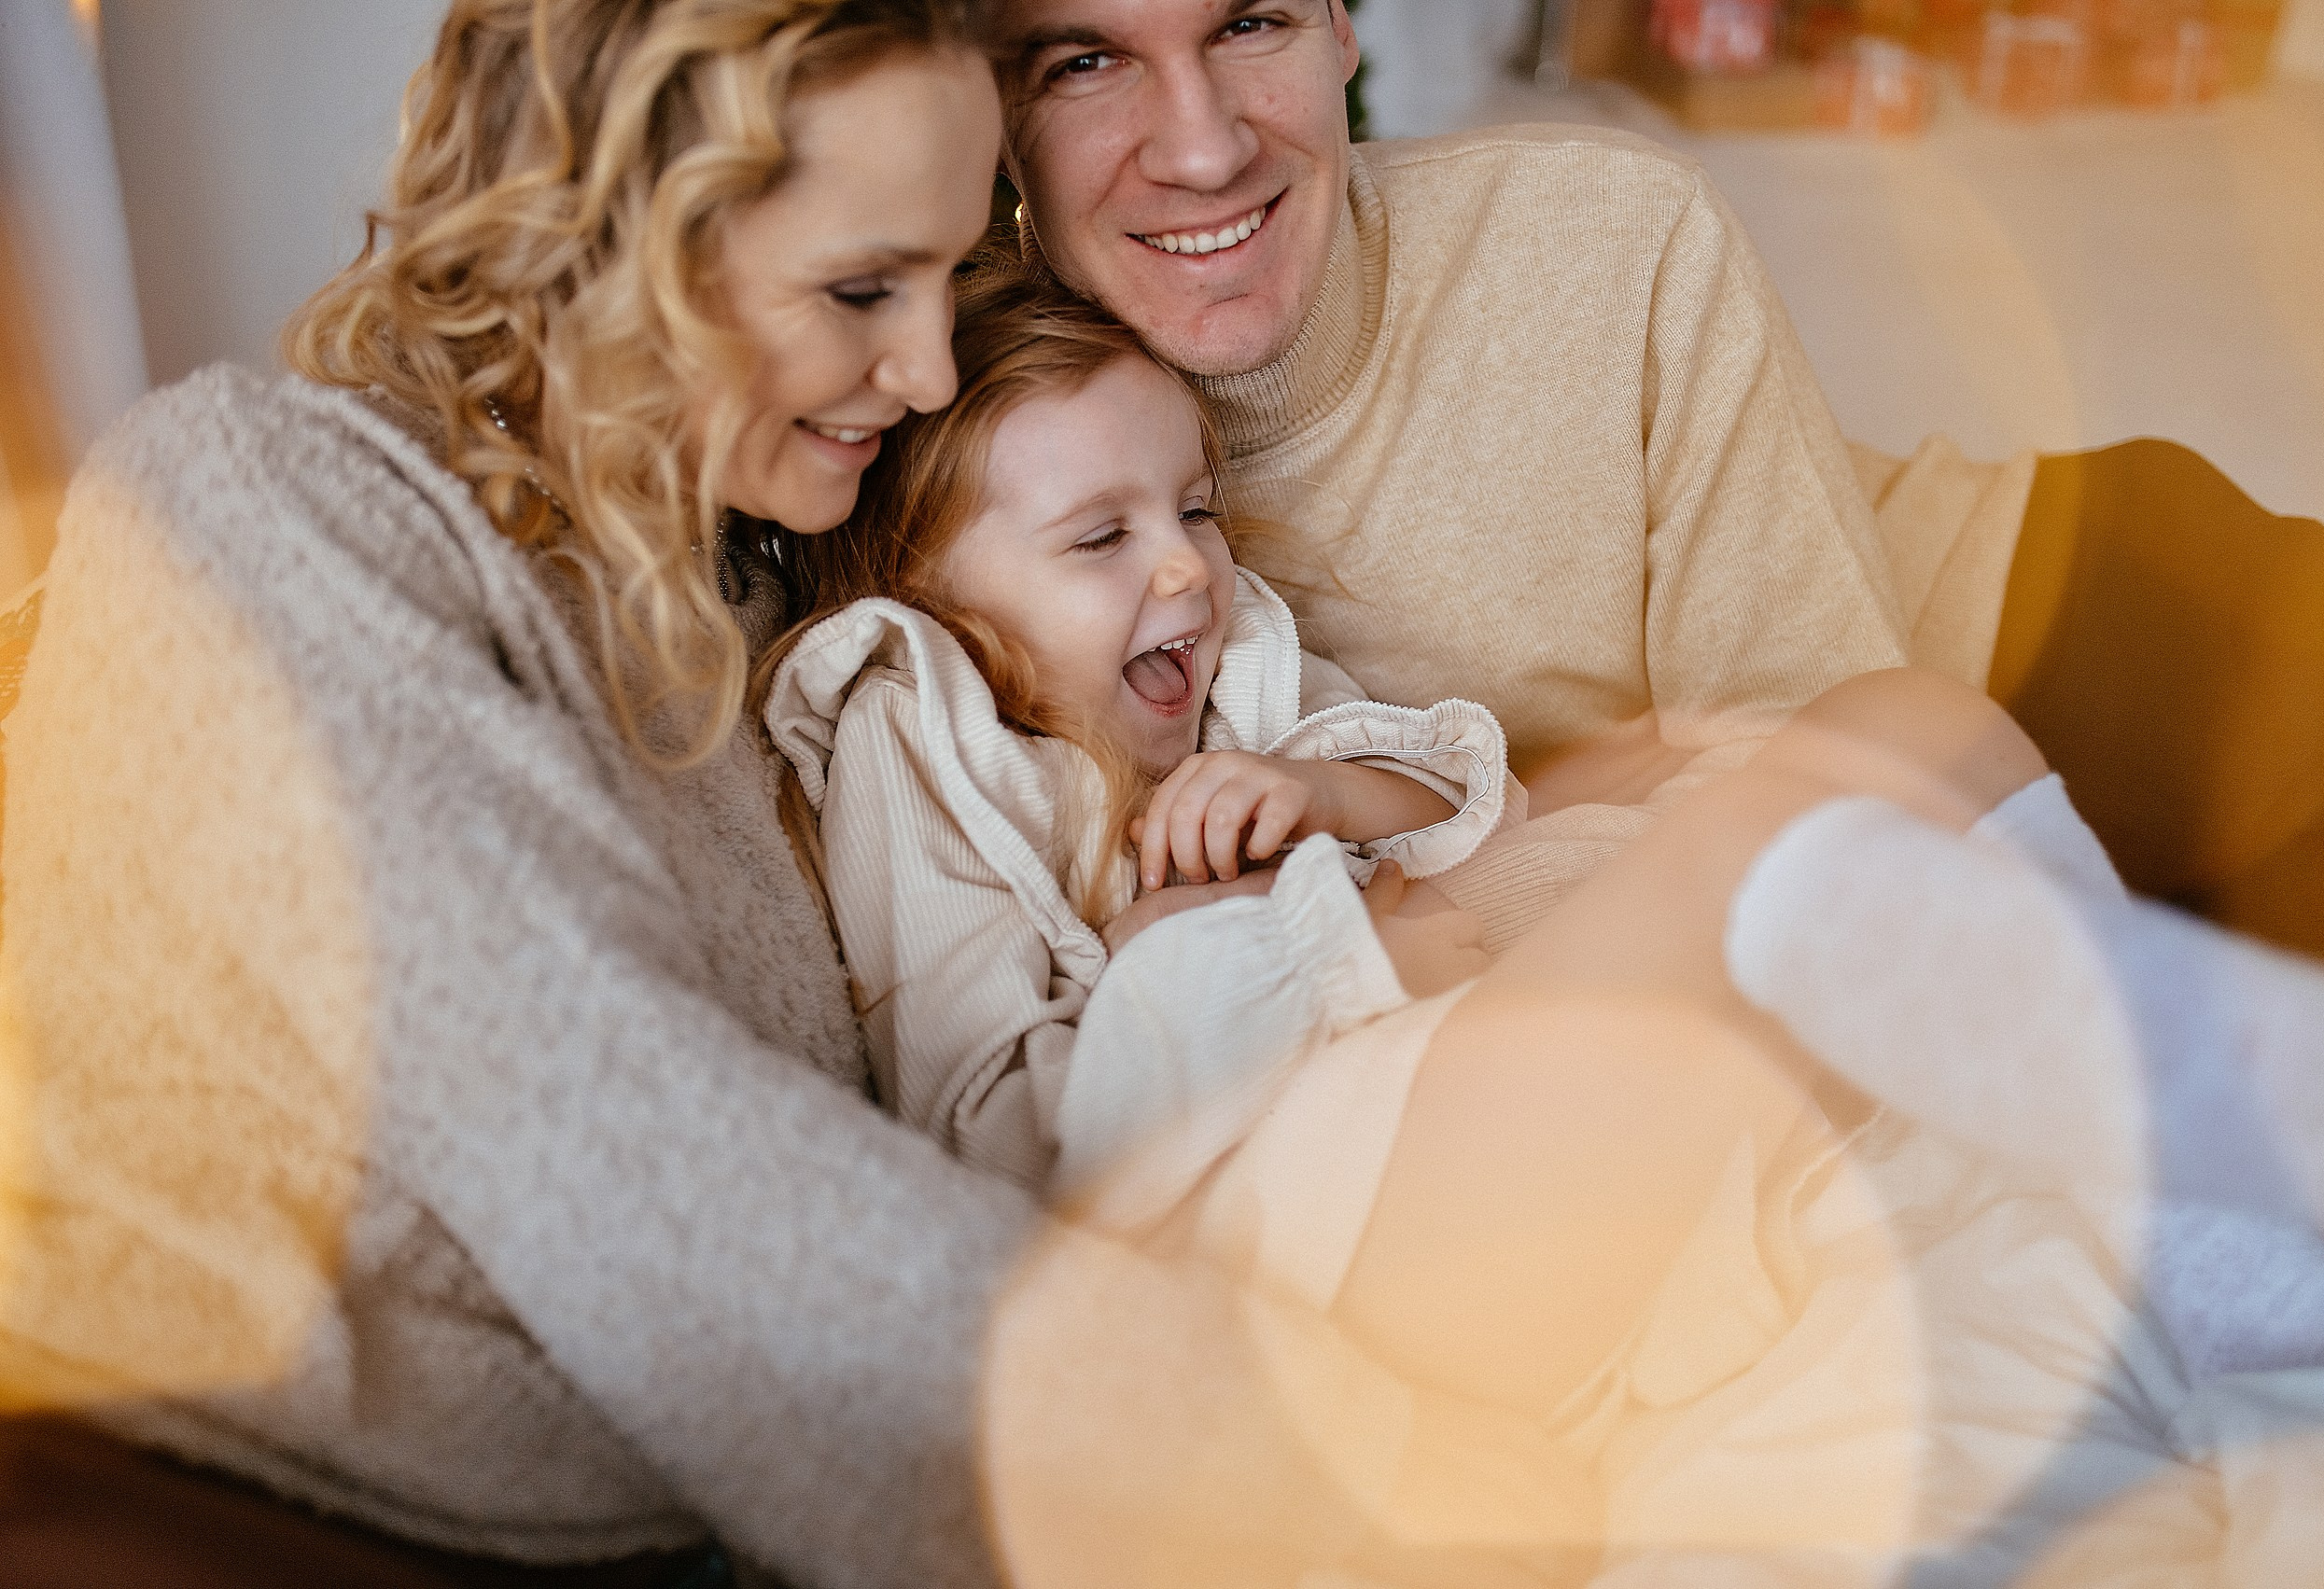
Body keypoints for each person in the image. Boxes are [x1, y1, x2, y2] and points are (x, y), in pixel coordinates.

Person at [0, 5, 1618, 1587]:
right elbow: (636, 1165)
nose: (923, 373)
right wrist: (1326, 1472)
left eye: (937, 275)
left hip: (716, 1511)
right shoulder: (262, 510)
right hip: (248, 1509)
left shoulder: (766, 584)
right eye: (860, 289)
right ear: (624, 230)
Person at [762, 260, 2324, 1569]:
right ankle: (2264, 1244)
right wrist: (1182, 953)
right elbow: (977, 1126)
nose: (1185, 572)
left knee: (1912, 722)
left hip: (1481, 1118)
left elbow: (1468, 791)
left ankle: (2212, 1246)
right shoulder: (929, 725)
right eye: (1099, 539)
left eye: (1194, 512)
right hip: (1298, 1228)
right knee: (1786, 852)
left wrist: (1330, 803)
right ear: (934, 595)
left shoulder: (1236, 687)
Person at [987, 0, 2324, 977]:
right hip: (1845, 863)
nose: (1205, 146)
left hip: (2054, 632)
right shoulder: (984, 445)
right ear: (995, 113)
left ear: (1341, 27)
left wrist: (1454, 886)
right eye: (1088, 61)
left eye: (1249, 23)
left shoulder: (1603, 230)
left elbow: (1821, 780)